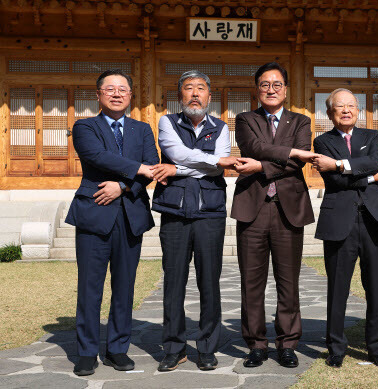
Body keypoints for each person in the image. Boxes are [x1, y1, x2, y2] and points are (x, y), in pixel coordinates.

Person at [65, 69, 159, 376]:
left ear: (131, 95)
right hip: (94, 214)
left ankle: (118, 349)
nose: (116, 94)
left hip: (130, 214)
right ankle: (87, 351)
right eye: (110, 89)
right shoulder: (84, 126)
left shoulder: (143, 129)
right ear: (98, 95)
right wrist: (138, 170)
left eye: (122, 89)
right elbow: (97, 157)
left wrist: (123, 186)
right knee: (89, 287)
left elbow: (151, 170)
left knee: (124, 286)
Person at [150, 71, 238, 372]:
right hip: (175, 212)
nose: (195, 94)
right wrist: (208, 161)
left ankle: (207, 348)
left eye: (201, 89)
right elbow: (177, 153)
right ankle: (174, 348)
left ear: (210, 97)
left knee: (209, 283)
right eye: (188, 89)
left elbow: (213, 169)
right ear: (180, 96)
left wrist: (177, 169)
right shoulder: (167, 122)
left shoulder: (222, 127)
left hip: (209, 213)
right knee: (173, 283)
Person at [231, 62, 317, 368]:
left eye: (276, 84)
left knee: (288, 280)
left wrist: (261, 166)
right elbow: (253, 146)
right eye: (265, 84)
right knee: (251, 281)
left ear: (285, 88)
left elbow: (300, 162)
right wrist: (290, 152)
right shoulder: (245, 119)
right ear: (257, 89)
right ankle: (256, 344)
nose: (271, 89)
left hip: (288, 209)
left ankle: (287, 343)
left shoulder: (301, 121)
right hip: (252, 208)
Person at [312, 88, 378, 368]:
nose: (347, 110)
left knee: (375, 286)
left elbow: (373, 161)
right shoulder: (321, 141)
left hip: (373, 218)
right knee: (338, 286)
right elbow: (335, 183)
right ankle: (336, 347)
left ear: (359, 110)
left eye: (351, 106)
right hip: (339, 221)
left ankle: (376, 346)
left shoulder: (372, 136)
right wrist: (374, 178)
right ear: (330, 113)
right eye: (340, 107)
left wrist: (340, 165)